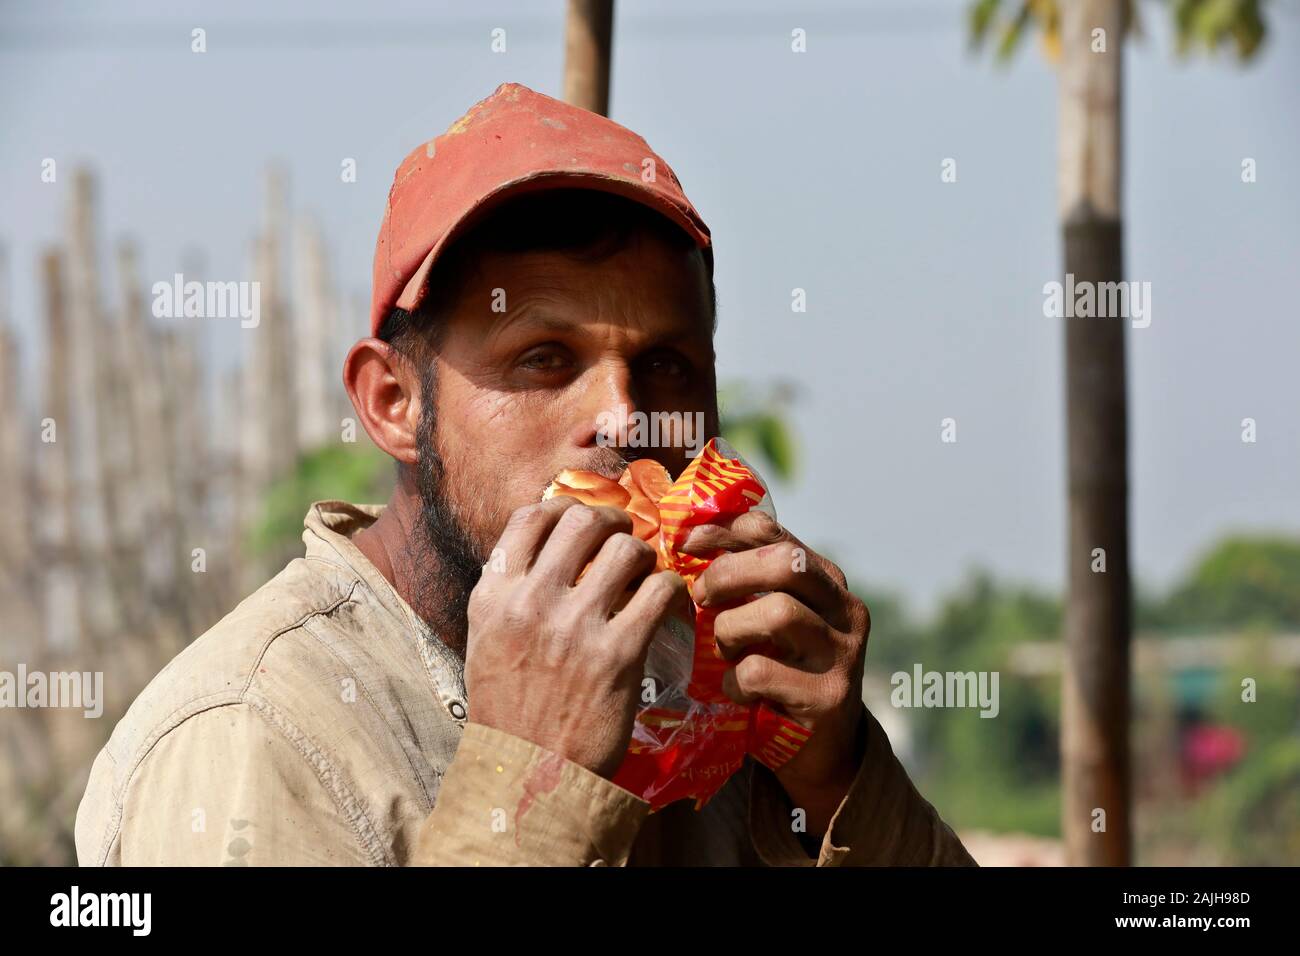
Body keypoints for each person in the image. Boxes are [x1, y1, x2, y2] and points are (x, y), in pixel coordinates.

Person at [76, 82, 974, 867]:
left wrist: (842, 778)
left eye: (666, 364)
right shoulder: (254, 733)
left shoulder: (721, 697)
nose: (625, 419)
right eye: (544, 358)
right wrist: (534, 776)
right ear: (394, 402)